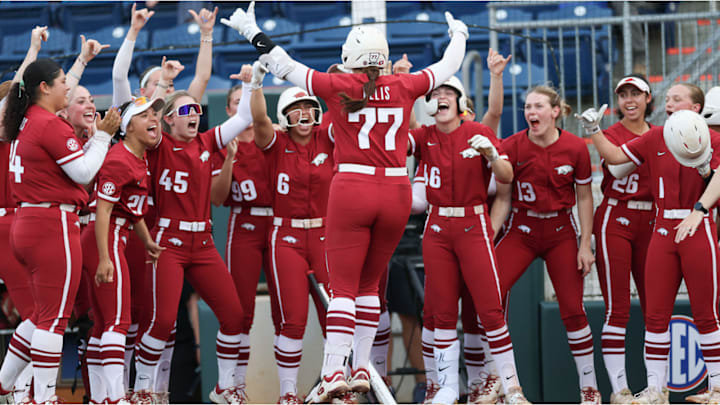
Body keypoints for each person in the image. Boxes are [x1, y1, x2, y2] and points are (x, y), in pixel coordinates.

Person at [222, 3, 467, 401]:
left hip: (353, 188)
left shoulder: (339, 88)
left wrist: (251, 31)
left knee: (344, 289)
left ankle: (335, 368)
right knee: (370, 286)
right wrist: (459, 32)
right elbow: (449, 63)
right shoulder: (405, 86)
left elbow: (281, 63)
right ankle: (361, 369)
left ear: (350, 59)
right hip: (396, 191)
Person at [579, 101, 720, 403]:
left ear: (695, 106)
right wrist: (594, 130)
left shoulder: (712, 136)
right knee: (655, 316)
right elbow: (616, 159)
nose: (669, 102)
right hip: (663, 227)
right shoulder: (656, 135)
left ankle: (718, 388)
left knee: (707, 314)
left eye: (676, 97)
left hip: (697, 224)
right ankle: (656, 389)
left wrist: (699, 209)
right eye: (667, 97)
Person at [131, 66, 254, 404]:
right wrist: (162, 90)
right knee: (163, 321)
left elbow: (243, 117)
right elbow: (146, 113)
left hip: (202, 242)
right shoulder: (157, 145)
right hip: (167, 241)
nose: (194, 114)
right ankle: (143, 388)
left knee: (234, 316)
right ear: (168, 119)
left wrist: (252, 80)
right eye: (186, 110)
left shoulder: (206, 141)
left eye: (197, 109)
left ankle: (225, 387)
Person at [0, 58, 119, 403]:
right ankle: (46, 398)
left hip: (28, 221)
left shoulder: (24, 121)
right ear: (44, 87)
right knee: (53, 320)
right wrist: (104, 139)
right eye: (63, 81)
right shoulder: (47, 124)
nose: (68, 86)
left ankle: (5, 384)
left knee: (38, 315)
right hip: (51, 224)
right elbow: (83, 173)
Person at [409, 66, 529, 404]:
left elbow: (506, 176)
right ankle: (447, 388)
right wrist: (401, 85)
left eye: (448, 93)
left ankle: (511, 385)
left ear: (461, 102)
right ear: (428, 103)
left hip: (473, 224)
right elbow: (396, 138)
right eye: (435, 94)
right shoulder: (425, 136)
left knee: (489, 308)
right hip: (436, 227)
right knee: (442, 310)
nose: (441, 97)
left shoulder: (478, 130)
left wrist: (491, 154)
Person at [491, 86, 600, 404]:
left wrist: (585, 244)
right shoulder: (512, 145)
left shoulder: (576, 147)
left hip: (560, 230)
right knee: (488, 294)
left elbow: (584, 196)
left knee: (573, 309)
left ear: (555, 111)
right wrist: (486, 238)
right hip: (521, 228)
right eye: (527, 107)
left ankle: (589, 388)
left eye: (538, 106)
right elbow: (502, 198)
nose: (530, 112)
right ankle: (501, 382)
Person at [248, 65, 335, 403]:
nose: (303, 114)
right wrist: (256, 83)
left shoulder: (328, 136)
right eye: (295, 109)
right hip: (286, 236)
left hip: (326, 235)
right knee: (293, 319)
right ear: (284, 116)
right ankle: (288, 393)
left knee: (335, 316)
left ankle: (335, 383)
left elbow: (347, 108)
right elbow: (258, 121)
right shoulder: (276, 142)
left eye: (308, 107)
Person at [80, 96, 166, 404]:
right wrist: (105, 257)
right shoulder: (119, 158)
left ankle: (100, 397)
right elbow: (103, 211)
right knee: (118, 320)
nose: (154, 117)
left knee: (103, 324)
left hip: (112, 235)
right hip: (105, 237)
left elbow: (131, 209)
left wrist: (146, 240)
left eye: (155, 112)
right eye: (145, 115)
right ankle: (116, 397)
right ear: (128, 127)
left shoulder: (136, 156)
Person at [209, 78, 276, 398]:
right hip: (245, 224)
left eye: (246, 99)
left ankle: (290, 387)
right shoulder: (222, 143)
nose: (242, 106)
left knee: (287, 307)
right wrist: (228, 161)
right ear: (228, 110)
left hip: (279, 223)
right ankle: (234, 384)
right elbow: (217, 198)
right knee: (242, 309)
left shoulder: (272, 133)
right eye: (236, 102)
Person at [592, 75, 655, 404]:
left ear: (648, 98)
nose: (629, 99)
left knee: (655, 309)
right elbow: (616, 167)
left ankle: (656, 387)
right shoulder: (610, 133)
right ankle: (620, 391)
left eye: (636, 93)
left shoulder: (661, 134)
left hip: (653, 220)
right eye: (623, 94)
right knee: (617, 309)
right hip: (616, 216)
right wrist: (595, 132)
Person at [0, 25, 49, 403]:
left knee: (43, 313)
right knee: (39, 313)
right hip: (7, 225)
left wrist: (33, 48)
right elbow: (17, 88)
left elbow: (19, 90)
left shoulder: (23, 132)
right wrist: (31, 49)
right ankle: (16, 391)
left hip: (26, 223)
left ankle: (21, 392)